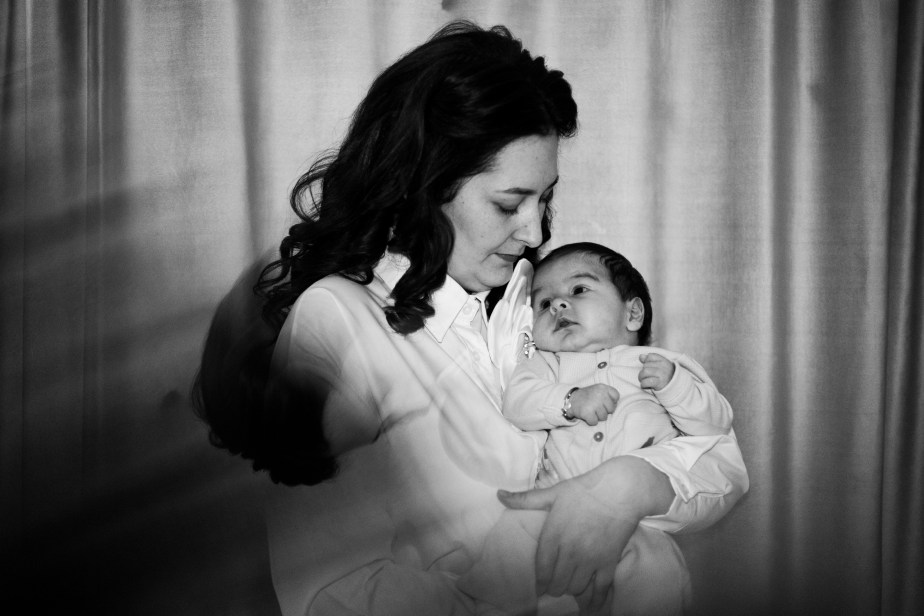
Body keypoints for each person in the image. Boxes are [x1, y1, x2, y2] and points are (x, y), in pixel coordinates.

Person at [193, 20, 748, 616]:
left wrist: (626, 486)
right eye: (509, 204)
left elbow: (721, 461)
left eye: (545, 199)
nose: (534, 232)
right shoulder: (338, 320)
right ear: (424, 185)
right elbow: (330, 593)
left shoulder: (530, 309)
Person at [459, 242, 735, 615]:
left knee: (655, 571)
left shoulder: (664, 364)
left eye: (578, 290)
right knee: (512, 536)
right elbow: (517, 404)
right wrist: (568, 401)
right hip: (552, 509)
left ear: (632, 313)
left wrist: (675, 386)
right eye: (543, 303)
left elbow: (714, 425)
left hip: (639, 523)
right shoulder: (547, 365)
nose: (557, 305)